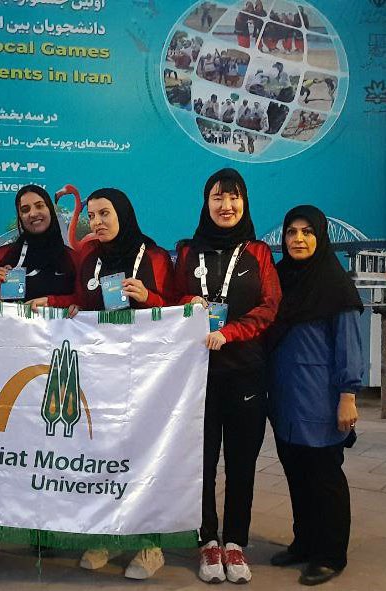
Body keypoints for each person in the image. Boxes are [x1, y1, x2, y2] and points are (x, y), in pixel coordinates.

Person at [52, 188, 176, 580]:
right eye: (91, 215)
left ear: (123, 213)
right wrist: (62, 305)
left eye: (105, 213)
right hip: (100, 374)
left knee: (144, 455)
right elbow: (80, 301)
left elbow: (177, 311)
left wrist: (149, 297)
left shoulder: (153, 256)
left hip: (147, 376)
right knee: (102, 453)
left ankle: (149, 543)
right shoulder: (89, 258)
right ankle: (106, 534)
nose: (97, 222)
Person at [173, 169, 280, 584]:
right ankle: (207, 540)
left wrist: (230, 332)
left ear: (244, 203)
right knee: (201, 462)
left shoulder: (259, 252)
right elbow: (169, 299)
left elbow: (269, 307)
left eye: (234, 197)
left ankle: (235, 541)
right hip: (196, 376)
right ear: (206, 203)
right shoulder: (187, 251)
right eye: (218, 197)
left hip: (245, 373)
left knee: (241, 462)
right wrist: (188, 300)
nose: (226, 205)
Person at [266, 205, 362, 586]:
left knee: (325, 478)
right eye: (292, 232)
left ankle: (331, 554)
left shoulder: (334, 286)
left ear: (320, 237)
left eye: (307, 232)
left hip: (320, 399)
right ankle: (304, 542)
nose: (299, 239)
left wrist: (348, 395)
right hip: (285, 399)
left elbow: (348, 345)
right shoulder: (281, 280)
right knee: (296, 473)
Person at [0, 184, 78, 306]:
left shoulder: (73, 258)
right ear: (20, 217)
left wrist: (52, 302)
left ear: (50, 210)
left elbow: (85, 300)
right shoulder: (1, 256)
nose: (33, 214)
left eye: (39, 206)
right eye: (25, 210)